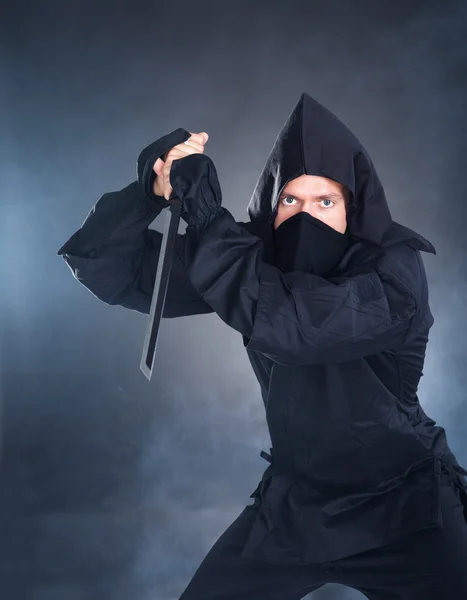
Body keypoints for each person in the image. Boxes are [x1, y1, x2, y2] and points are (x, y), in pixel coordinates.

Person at [57, 93, 467, 599]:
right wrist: (152, 190)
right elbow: (107, 267)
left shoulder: (395, 272)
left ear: (353, 207)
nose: (306, 216)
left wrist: (208, 220)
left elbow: (294, 327)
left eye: (325, 201)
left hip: (407, 510)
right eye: (290, 200)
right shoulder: (252, 260)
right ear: (271, 206)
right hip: (296, 509)